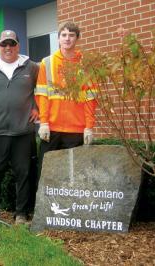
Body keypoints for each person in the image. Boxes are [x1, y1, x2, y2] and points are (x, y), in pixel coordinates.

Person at [0, 30, 39, 225]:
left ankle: (21, 214)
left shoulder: (32, 68)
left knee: (25, 174)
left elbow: (44, 90)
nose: (8, 48)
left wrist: (38, 107)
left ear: (18, 46)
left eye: (12, 43)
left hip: (23, 131)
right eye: (4, 44)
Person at [35, 21, 98, 179]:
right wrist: (43, 123)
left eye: (71, 35)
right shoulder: (47, 63)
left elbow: (90, 99)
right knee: (45, 174)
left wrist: (89, 127)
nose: (67, 38)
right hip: (51, 130)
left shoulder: (86, 64)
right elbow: (42, 95)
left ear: (77, 38)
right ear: (58, 38)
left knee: (74, 177)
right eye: (64, 35)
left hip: (76, 130)